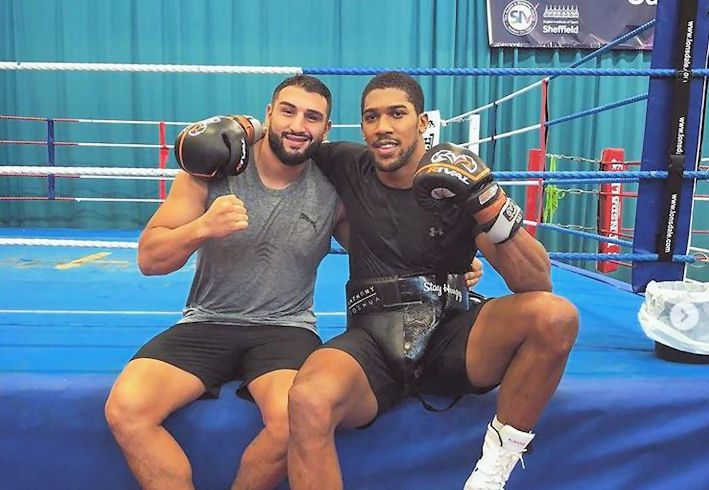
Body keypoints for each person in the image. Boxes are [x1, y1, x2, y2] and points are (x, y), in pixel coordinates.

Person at [286, 72, 580, 490]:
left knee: (555, 316)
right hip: (372, 339)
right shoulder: (348, 163)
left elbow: (536, 282)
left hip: (451, 333)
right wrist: (242, 131)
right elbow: (290, 135)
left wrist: (489, 201)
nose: (383, 127)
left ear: (422, 122)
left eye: (396, 114)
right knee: (307, 398)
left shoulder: (453, 183)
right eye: (371, 117)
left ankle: (493, 470)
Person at [104, 75, 347, 490]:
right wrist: (200, 227)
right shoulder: (214, 166)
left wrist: (452, 265)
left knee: (297, 420)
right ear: (268, 115)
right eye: (287, 111)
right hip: (206, 322)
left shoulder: (335, 188)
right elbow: (150, 258)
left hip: (285, 329)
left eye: (312, 117)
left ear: (326, 129)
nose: (297, 125)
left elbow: (382, 251)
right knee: (126, 408)